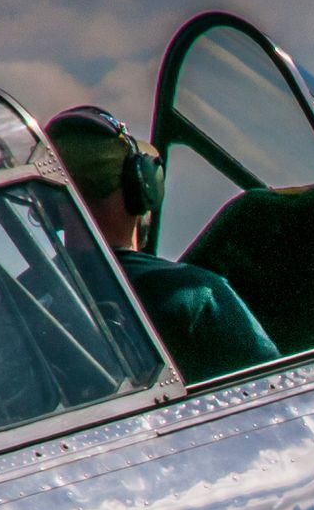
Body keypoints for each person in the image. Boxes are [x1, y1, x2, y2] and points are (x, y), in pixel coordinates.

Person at [44, 106, 278, 384]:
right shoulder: (193, 294)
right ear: (142, 186)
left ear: (50, 204)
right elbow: (277, 386)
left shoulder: (25, 301)